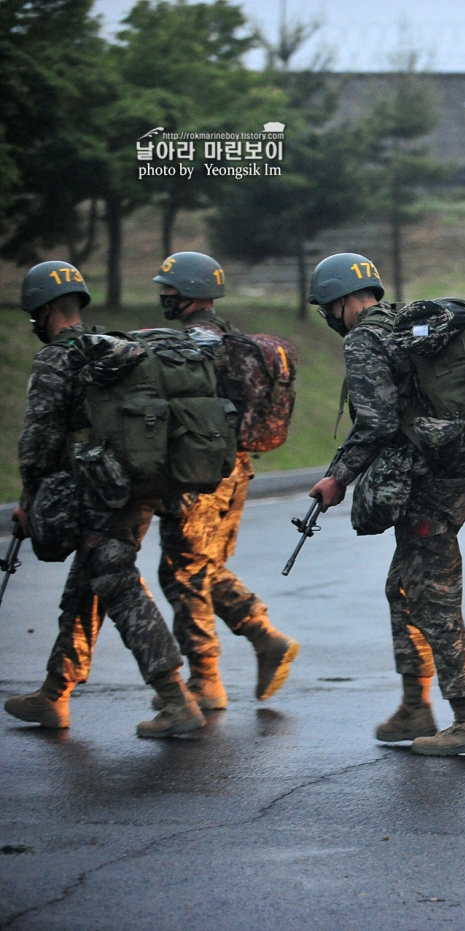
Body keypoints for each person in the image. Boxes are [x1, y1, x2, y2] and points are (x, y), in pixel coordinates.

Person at [305, 252, 465, 757]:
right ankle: (415, 704)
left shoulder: (366, 339)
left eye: (327, 306)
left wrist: (336, 478)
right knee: (403, 588)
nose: (327, 316)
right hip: (449, 471)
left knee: (432, 596)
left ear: (345, 301)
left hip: (426, 482)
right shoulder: (408, 324)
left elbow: (377, 423)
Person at [3, 261, 205, 737]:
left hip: (93, 492)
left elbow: (39, 439)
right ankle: (54, 694)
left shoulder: (58, 357)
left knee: (115, 584)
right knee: (88, 584)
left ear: (46, 311)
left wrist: (29, 498)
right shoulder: (116, 346)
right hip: (133, 488)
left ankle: (176, 700)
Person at [151, 252, 298, 710]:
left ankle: (206, 680)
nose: (163, 297)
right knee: (197, 565)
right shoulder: (227, 336)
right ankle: (262, 636)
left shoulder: (196, 343)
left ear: (191, 293)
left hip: (202, 474)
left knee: (185, 570)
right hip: (234, 467)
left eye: (169, 290)